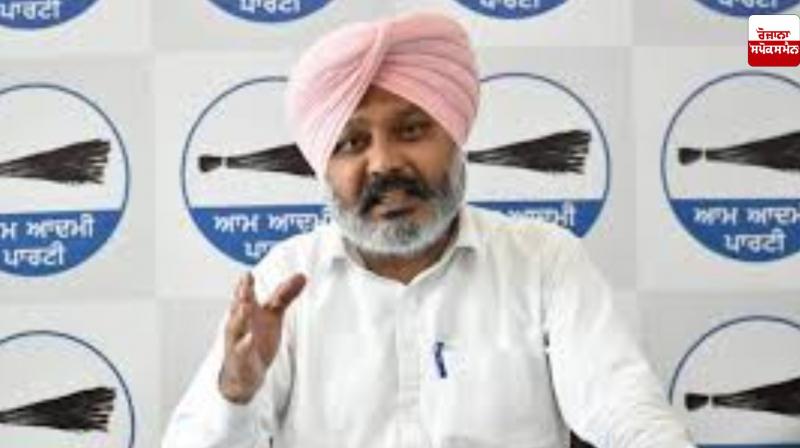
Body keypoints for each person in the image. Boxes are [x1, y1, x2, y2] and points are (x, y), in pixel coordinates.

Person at [162, 11, 695, 448]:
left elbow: (626, 409)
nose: (384, 164)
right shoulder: (286, 280)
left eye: (412, 130)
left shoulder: (542, 261)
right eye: (351, 143)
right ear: (323, 167)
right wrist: (237, 391)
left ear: (456, 137)